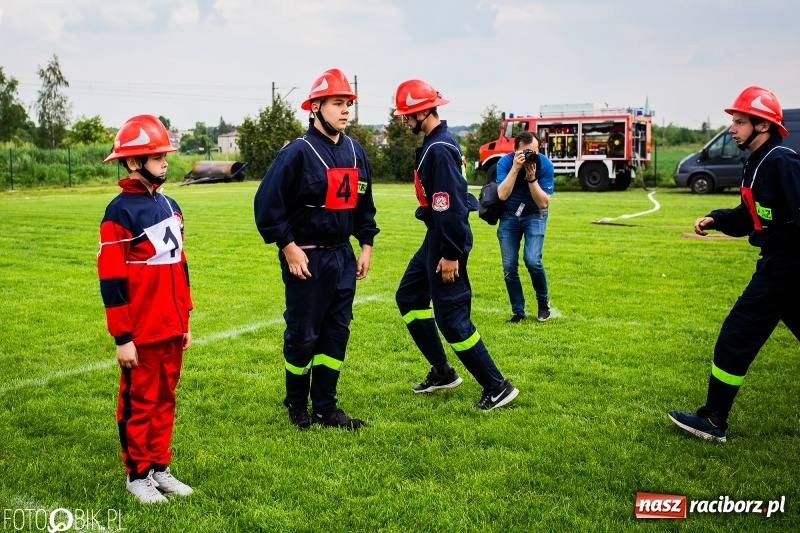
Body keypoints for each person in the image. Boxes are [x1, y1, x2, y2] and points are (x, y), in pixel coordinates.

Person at [668, 86, 800, 443]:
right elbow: (749, 215)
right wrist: (718, 218)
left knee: (737, 334)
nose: (732, 129)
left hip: (787, 266)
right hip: (780, 262)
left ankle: (713, 419)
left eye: (740, 122)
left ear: (763, 125)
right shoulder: (755, 162)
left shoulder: (783, 162)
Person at [254, 68, 379, 431]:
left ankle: (326, 407)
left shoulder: (355, 151)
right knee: (303, 334)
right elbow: (266, 206)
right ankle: (296, 404)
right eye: (338, 103)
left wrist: (366, 246)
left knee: (336, 333)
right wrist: (289, 248)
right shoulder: (297, 152)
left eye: (348, 104)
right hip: (306, 258)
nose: (345, 110)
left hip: (342, 257)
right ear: (315, 107)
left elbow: (364, 205)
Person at [393, 78, 519, 411]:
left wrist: (451, 254)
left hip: (447, 240)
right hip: (435, 236)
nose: (404, 121)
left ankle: (497, 386)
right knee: (409, 297)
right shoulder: (437, 142)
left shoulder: (439, 149)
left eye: (406, 115)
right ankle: (443, 372)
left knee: (451, 318)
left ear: (422, 112)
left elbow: (448, 206)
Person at [98, 115, 194, 503]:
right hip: (140, 333)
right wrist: (122, 337)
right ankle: (137, 475)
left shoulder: (171, 204)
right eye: (157, 157)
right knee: (139, 404)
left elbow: (180, 266)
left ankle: (158, 467)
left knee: (165, 399)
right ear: (135, 162)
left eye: (165, 155)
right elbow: (111, 280)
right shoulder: (119, 212)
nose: (165, 162)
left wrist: (186, 318)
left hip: (172, 326)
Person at [495, 131, 555, 323]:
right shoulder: (505, 163)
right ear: (515, 150)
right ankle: (518, 311)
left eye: (534, 151)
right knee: (509, 266)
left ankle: (543, 302)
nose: (530, 155)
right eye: (525, 152)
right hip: (509, 215)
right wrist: (515, 169)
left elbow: (543, 203)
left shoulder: (545, 165)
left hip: (535, 214)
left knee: (532, 260)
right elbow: (502, 195)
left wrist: (531, 177)